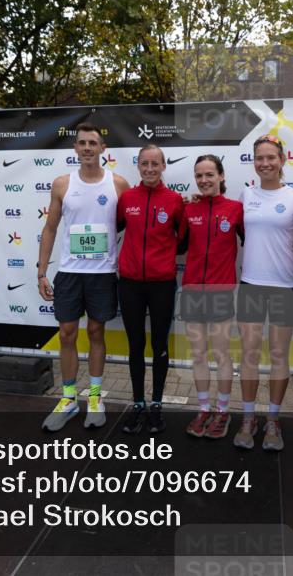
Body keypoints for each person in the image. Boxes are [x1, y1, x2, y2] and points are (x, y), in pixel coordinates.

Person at [37, 122, 130, 432]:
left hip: (102, 274)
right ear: (75, 148)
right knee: (66, 334)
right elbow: (50, 228)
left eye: (93, 143)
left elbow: (136, 220)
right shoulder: (62, 184)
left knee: (95, 332)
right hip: (69, 273)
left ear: (103, 148)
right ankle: (67, 399)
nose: (88, 147)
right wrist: (41, 272)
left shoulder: (118, 184)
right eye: (82, 143)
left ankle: (94, 397)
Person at [234, 134, 293, 451]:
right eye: (259, 158)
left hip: (283, 287)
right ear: (254, 162)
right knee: (249, 354)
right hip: (251, 284)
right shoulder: (246, 193)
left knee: (278, 356)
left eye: (270, 158)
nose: (265, 163)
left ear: (282, 160)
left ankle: (273, 420)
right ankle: (248, 418)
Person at [116, 145, 184, 435]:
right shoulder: (127, 198)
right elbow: (116, 228)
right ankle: (138, 403)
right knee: (135, 346)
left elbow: (183, 240)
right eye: (144, 164)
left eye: (155, 164)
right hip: (130, 284)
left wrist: (162, 259)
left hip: (161, 284)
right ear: (138, 166)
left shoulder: (175, 200)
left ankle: (156, 404)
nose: (150, 169)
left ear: (163, 166)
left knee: (159, 346)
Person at [179, 155, 244, 440]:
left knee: (221, 354)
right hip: (192, 290)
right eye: (199, 175)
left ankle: (222, 411)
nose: (204, 180)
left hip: (221, 291)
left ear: (221, 176)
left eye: (209, 174)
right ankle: (204, 408)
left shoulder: (235, 209)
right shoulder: (189, 209)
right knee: (198, 354)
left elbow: (255, 241)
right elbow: (178, 245)